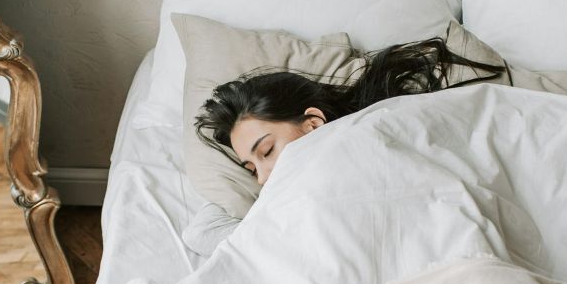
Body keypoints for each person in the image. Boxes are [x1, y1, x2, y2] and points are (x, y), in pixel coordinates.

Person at [195, 36, 505, 185]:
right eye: (252, 169)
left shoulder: (378, 130)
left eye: (267, 151)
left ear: (313, 124)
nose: (262, 179)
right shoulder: (285, 200)